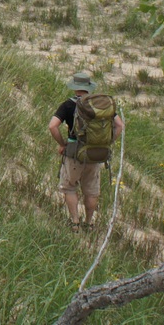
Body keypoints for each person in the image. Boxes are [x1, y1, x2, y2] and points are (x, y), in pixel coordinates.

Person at [48, 70, 125, 230]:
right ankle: (89, 223)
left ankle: (75, 222)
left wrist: (62, 144)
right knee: (91, 191)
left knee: (69, 187)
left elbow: (52, 126)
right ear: (89, 87)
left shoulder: (68, 105)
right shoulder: (100, 106)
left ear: (75, 87)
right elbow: (120, 125)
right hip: (95, 153)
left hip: (74, 152)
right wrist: (107, 141)